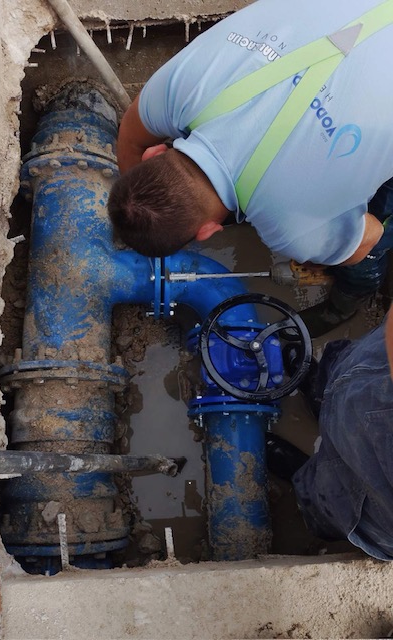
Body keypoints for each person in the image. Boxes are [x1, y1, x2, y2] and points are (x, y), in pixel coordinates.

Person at [108, 0, 393, 337]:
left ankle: (347, 304)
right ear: (155, 152)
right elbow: (130, 137)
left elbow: (370, 236)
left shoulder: (294, 227)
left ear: (209, 231)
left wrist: (321, 245)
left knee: (368, 239)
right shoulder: (176, 89)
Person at [266, 307, 393, 560]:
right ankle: (319, 392)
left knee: (334, 499)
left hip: (383, 482)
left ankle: (302, 481)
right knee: (345, 373)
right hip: (374, 374)